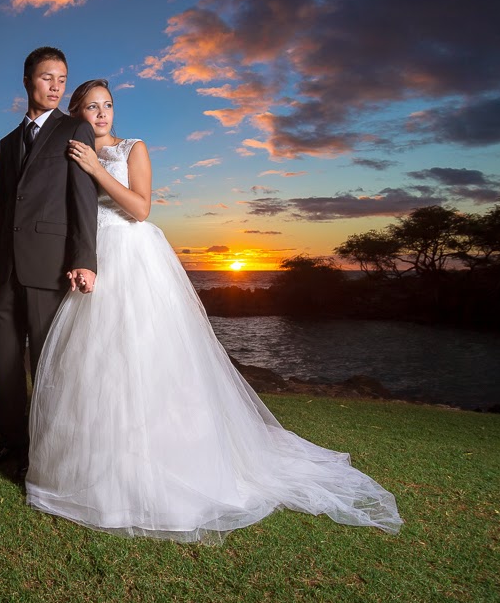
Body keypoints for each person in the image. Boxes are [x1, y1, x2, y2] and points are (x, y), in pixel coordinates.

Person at [24, 79, 403, 544]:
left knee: (149, 355)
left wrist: (99, 171)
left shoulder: (132, 148)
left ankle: (171, 464)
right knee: (96, 362)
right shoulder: (72, 147)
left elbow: (141, 208)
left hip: (134, 254)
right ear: (76, 112)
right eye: (91, 107)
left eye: (107, 106)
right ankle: (93, 468)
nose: (101, 114)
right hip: (93, 256)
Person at [0, 47, 99, 478]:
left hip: (50, 265)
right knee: (5, 359)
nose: (56, 86)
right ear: (27, 80)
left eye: (62, 79)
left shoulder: (75, 129)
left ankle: (46, 454)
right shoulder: (7, 144)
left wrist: (85, 259)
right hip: (6, 268)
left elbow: (83, 202)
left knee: (47, 363)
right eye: (48, 78)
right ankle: (10, 441)